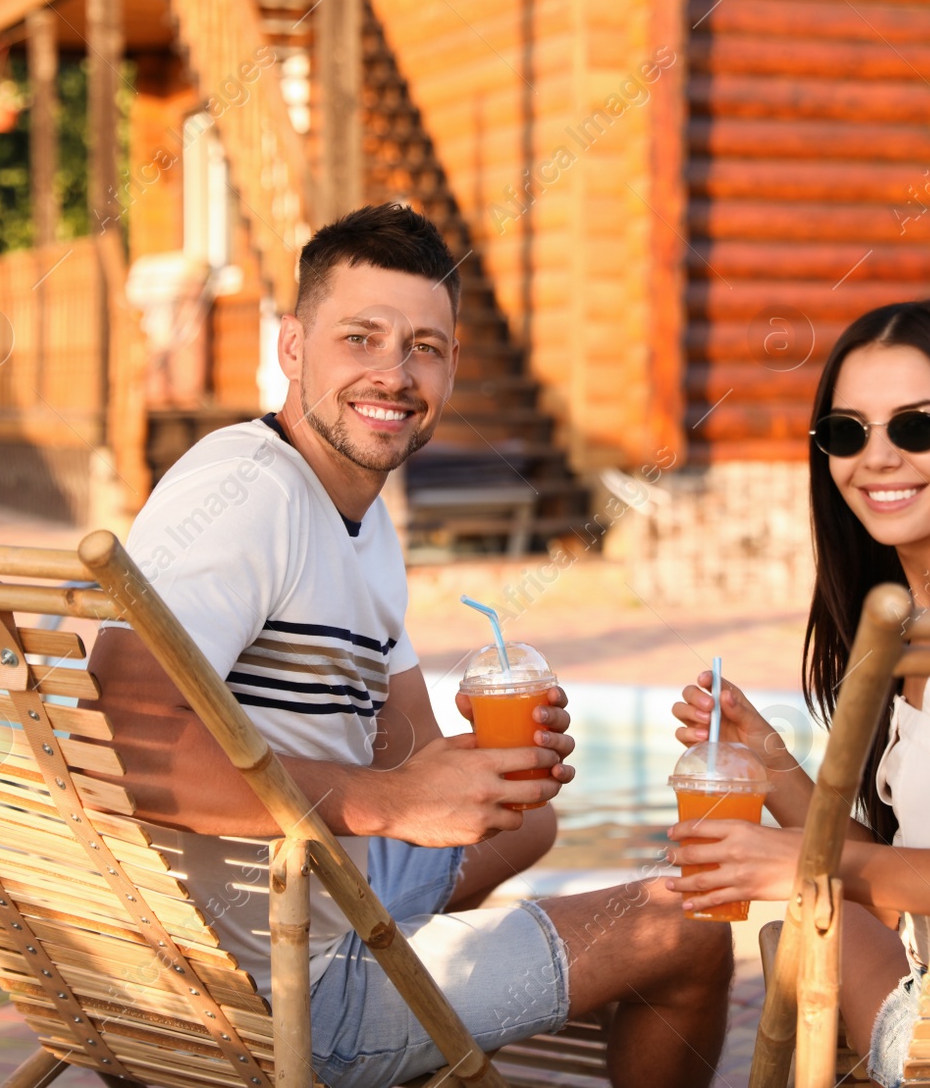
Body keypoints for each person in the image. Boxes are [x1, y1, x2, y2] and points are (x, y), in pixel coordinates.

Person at [87, 203, 732, 1088]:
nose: (394, 372)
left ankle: (441, 985)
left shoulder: (364, 515)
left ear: (452, 365)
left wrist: (484, 758)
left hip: (322, 898)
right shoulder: (245, 492)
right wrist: (387, 801)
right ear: (292, 346)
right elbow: (121, 750)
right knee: (686, 928)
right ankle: (416, 1012)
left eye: (424, 346)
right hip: (271, 993)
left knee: (527, 816)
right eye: (361, 336)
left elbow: (413, 757)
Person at [664, 298, 930, 1088]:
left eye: (918, 427)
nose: (878, 457)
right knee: (822, 918)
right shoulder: (923, 614)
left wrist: (799, 868)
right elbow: (893, 861)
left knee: (813, 925)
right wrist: (766, 756)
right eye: (847, 432)